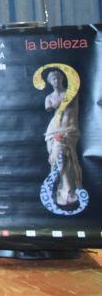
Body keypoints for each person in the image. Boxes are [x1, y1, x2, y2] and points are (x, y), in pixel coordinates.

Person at [44, 70, 82, 207]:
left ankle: (68, 192)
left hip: (69, 130)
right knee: (56, 161)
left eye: (58, 78)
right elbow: (49, 107)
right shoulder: (49, 97)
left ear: (62, 79)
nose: (56, 81)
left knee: (66, 160)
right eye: (53, 79)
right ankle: (64, 192)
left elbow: (64, 103)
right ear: (49, 82)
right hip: (53, 130)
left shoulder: (70, 93)